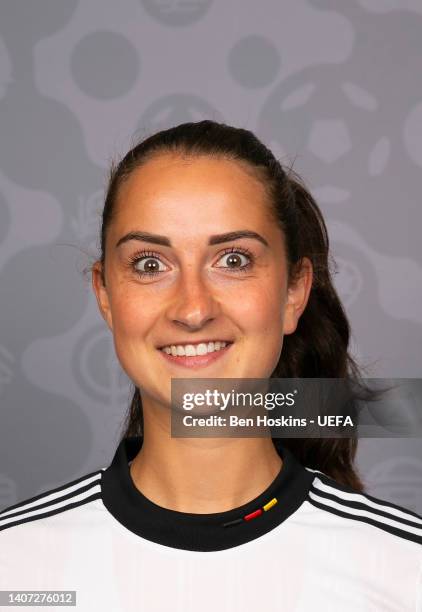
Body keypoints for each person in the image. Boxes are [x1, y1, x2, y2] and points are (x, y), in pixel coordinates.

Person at [0, 120, 420, 611]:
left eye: (234, 260)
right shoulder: (14, 567)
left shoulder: (406, 572)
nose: (193, 310)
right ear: (105, 295)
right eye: (150, 264)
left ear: (293, 291)